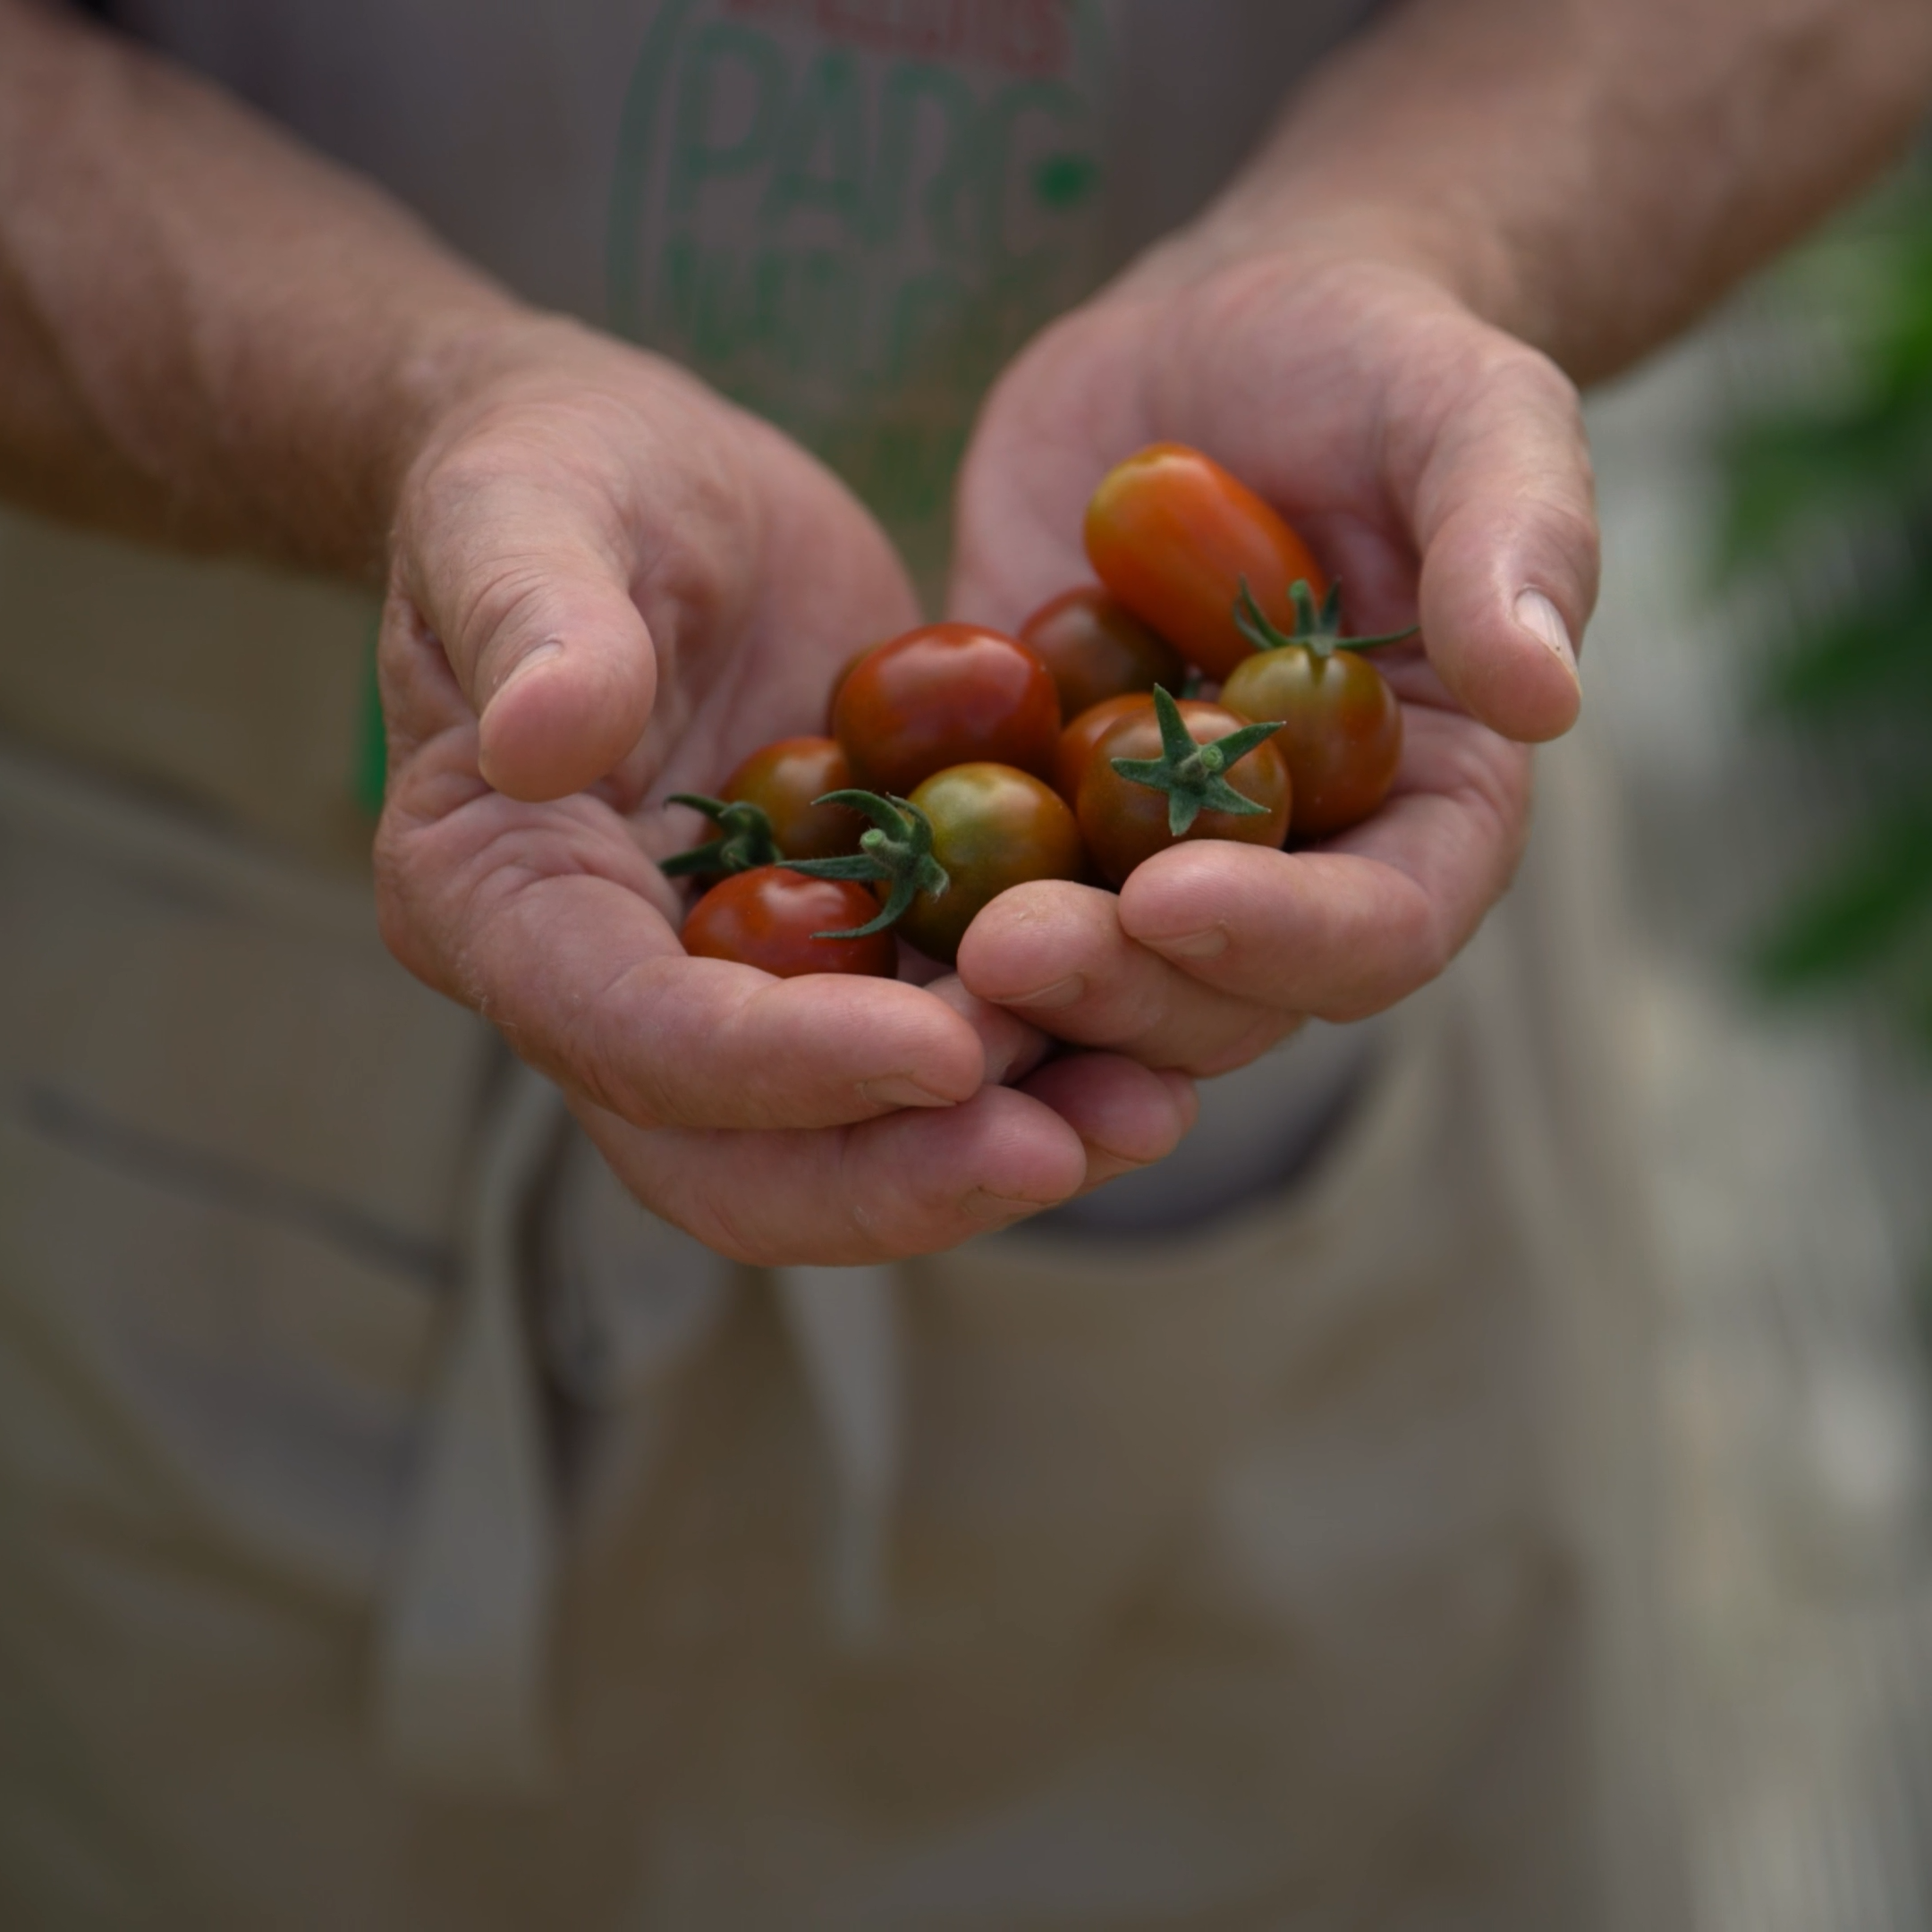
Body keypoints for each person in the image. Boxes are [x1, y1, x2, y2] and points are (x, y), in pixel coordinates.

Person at [0, 0, 1926, 1926]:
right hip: (196, 1066)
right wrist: (393, 403)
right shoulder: (1117, 747)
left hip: (1276, 1117)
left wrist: (1426, 234)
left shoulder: (1191, 746)